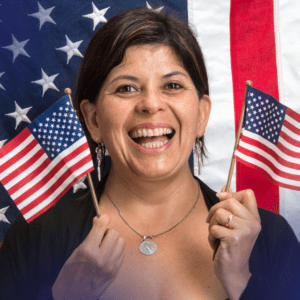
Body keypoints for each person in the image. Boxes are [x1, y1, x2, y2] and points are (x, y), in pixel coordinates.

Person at [0, 7, 300, 300]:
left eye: (172, 85)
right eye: (126, 89)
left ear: (201, 115)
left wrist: (241, 280)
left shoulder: (270, 239)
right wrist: (63, 295)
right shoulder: (34, 239)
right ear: (93, 121)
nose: (151, 104)